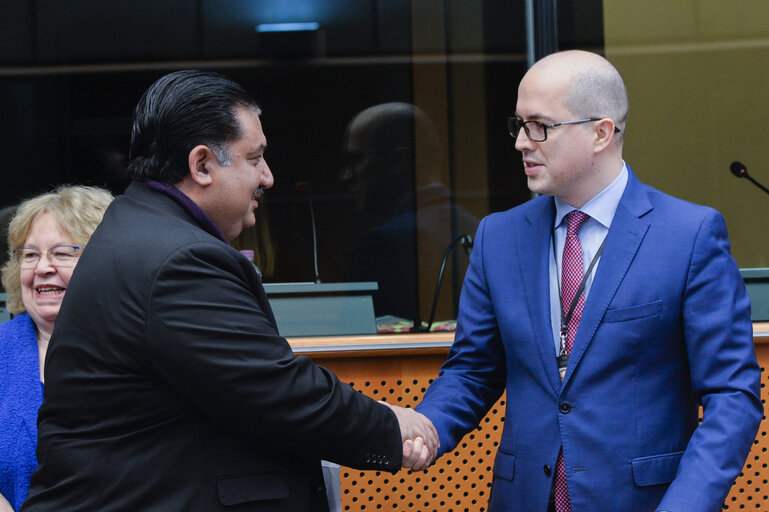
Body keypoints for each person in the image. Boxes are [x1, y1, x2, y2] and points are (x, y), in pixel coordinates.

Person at [23, 70, 437, 512]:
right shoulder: (177, 260)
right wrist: (393, 426)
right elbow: (278, 391)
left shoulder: (140, 227)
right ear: (201, 165)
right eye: (254, 158)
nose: (269, 177)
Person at [414, 50, 762, 512]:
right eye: (518, 124)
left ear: (601, 133)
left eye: (540, 126)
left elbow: (732, 395)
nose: (521, 141)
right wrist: (425, 428)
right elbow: (473, 369)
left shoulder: (689, 235)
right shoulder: (498, 236)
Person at [0, 186, 113, 511]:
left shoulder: (139, 348)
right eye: (30, 254)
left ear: (104, 261)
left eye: (62, 253)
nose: (42, 267)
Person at [342, 102, 478, 324]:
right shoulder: (480, 229)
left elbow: (359, 344)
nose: (346, 175)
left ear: (399, 160)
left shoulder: (381, 245)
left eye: (356, 160)